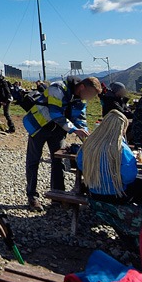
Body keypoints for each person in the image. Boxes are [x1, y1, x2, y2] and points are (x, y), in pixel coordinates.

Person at [22, 75, 101, 210]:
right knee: (33, 161)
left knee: (59, 161)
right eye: (90, 94)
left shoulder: (80, 98)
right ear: (82, 87)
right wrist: (75, 130)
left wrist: (85, 135)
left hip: (58, 130)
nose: (89, 98)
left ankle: (58, 197)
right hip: (39, 126)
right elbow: (56, 113)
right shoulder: (57, 88)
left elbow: (80, 118)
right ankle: (32, 197)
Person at [76, 111, 142, 203]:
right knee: (139, 184)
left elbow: (81, 164)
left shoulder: (89, 144)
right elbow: (128, 177)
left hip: (94, 192)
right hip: (116, 195)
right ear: (122, 128)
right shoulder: (121, 148)